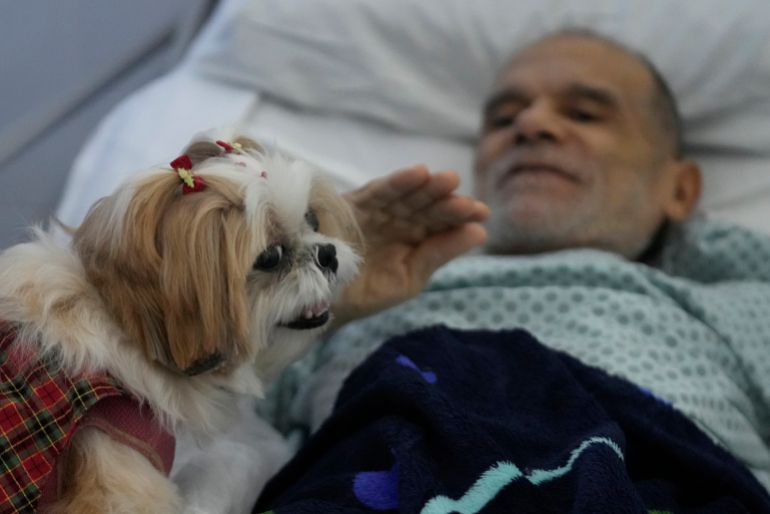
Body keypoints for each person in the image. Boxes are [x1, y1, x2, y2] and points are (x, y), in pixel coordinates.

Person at [253, 31, 770, 512]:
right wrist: (320, 296)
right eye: (503, 119)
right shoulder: (333, 315)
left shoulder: (732, 308)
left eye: (586, 114)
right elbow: (202, 416)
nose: (530, 124)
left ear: (679, 189)